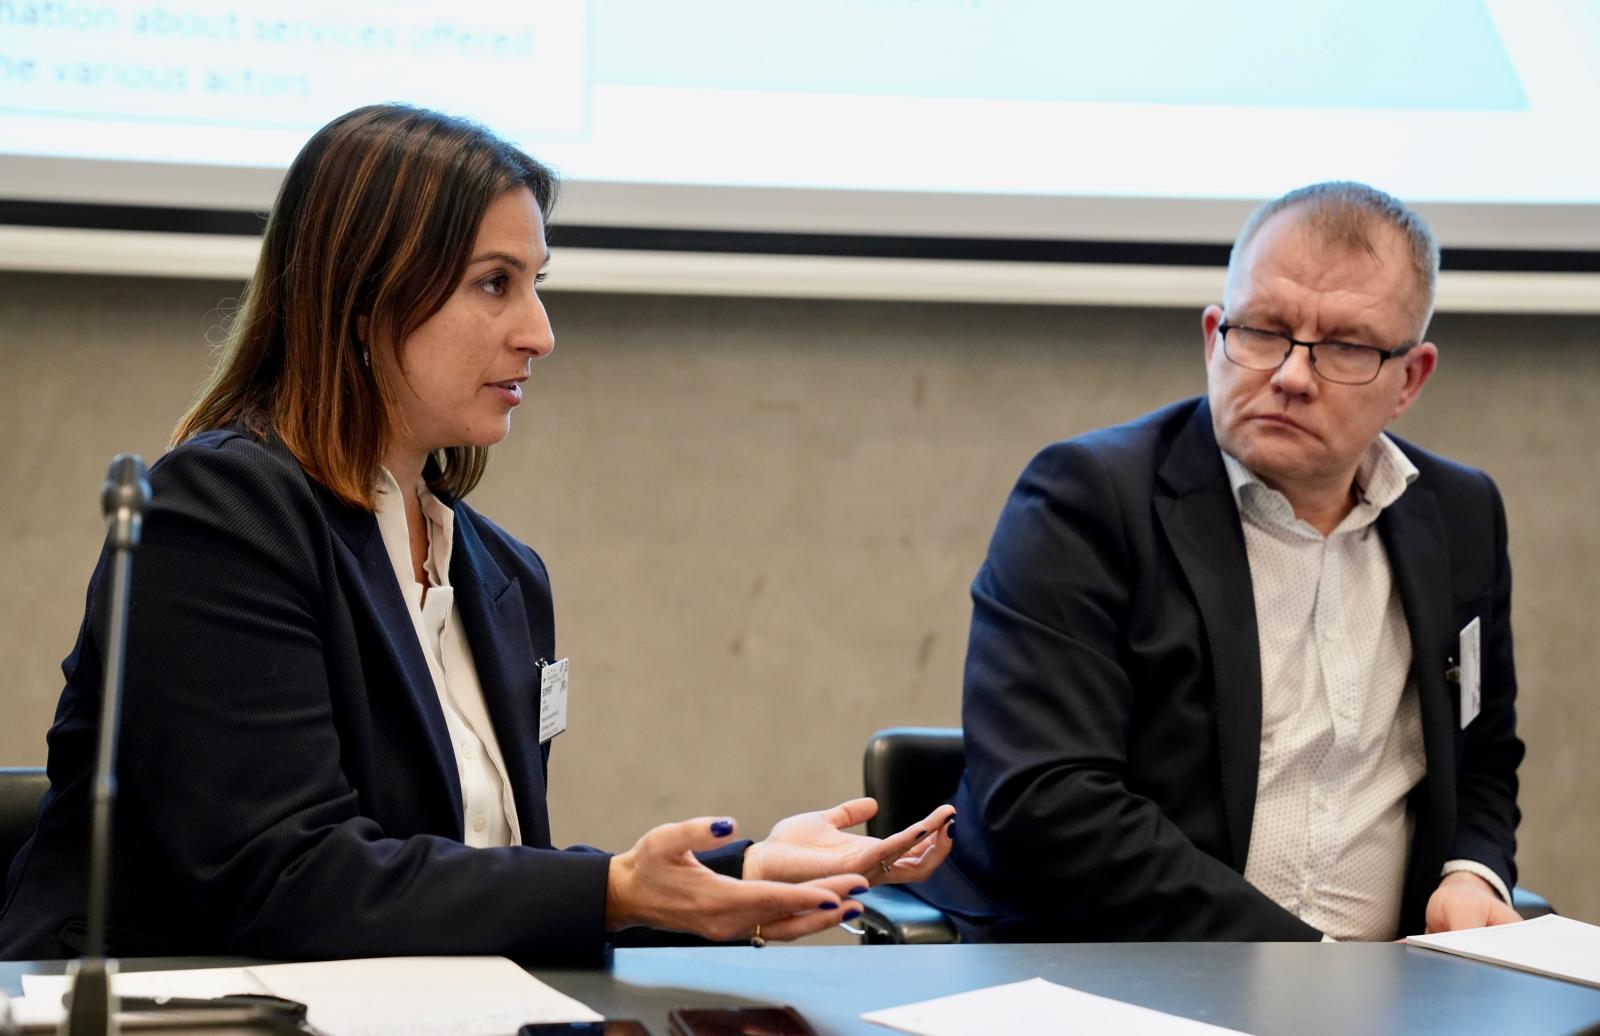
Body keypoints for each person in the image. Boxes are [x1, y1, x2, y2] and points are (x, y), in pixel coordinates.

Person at [0, 104, 953, 963]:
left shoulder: (504, 575)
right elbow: (288, 881)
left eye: (536, 282)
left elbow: (481, 880)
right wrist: (614, 891)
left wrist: (742, 875)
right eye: (494, 284)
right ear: (363, 301)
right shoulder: (220, 514)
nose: (539, 331)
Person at [919, 181, 1522, 942]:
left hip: (1399, 981)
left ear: (1409, 378)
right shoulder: (1087, 500)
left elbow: (1482, 755)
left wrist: (1471, 872)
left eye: (1345, 347)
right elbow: (1050, 803)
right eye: (1263, 331)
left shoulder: (1460, 515)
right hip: (1129, 970)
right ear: (1214, 337)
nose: (1291, 376)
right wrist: (1307, 965)